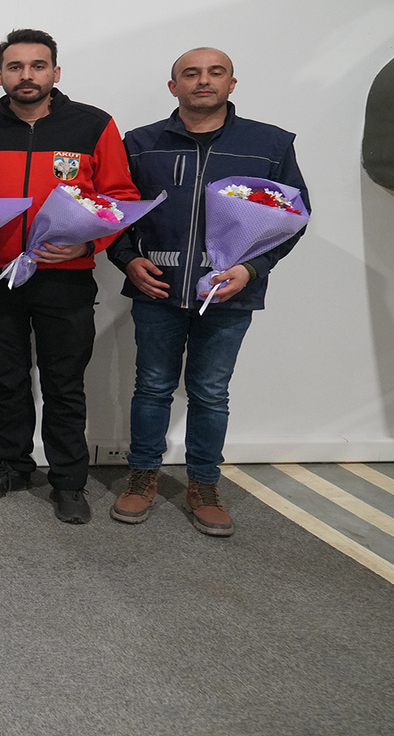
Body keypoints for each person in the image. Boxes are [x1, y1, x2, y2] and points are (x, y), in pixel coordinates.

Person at [107, 47, 308, 537]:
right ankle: (143, 475)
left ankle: (204, 484)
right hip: (157, 292)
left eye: (215, 72)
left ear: (231, 84)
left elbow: (295, 217)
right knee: (151, 387)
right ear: (172, 86)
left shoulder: (270, 144)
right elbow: (114, 208)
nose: (203, 80)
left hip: (229, 296)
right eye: (190, 73)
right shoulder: (141, 144)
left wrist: (253, 269)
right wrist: (127, 259)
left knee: (211, 393)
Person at [0, 29, 139, 524]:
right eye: (15, 67)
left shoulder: (94, 124)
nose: (27, 75)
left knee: (65, 385)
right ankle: (13, 467)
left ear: (55, 72)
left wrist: (89, 244)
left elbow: (120, 197)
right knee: (7, 380)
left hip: (66, 277)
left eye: (38, 66)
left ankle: (68, 481)